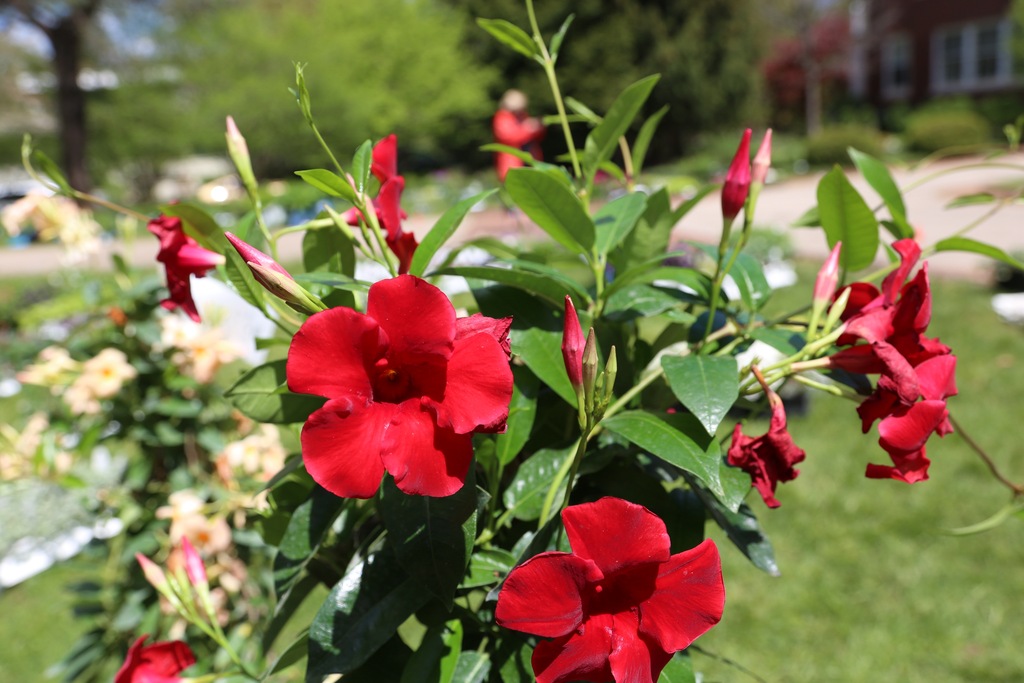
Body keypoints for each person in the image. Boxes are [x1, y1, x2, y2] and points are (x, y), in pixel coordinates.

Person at [492, 89, 546, 182]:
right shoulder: (502, 117)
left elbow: (538, 137)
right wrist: (528, 129)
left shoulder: (523, 116)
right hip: (512, 162)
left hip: (530, 159)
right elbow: (507, 136)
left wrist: (538, 127)